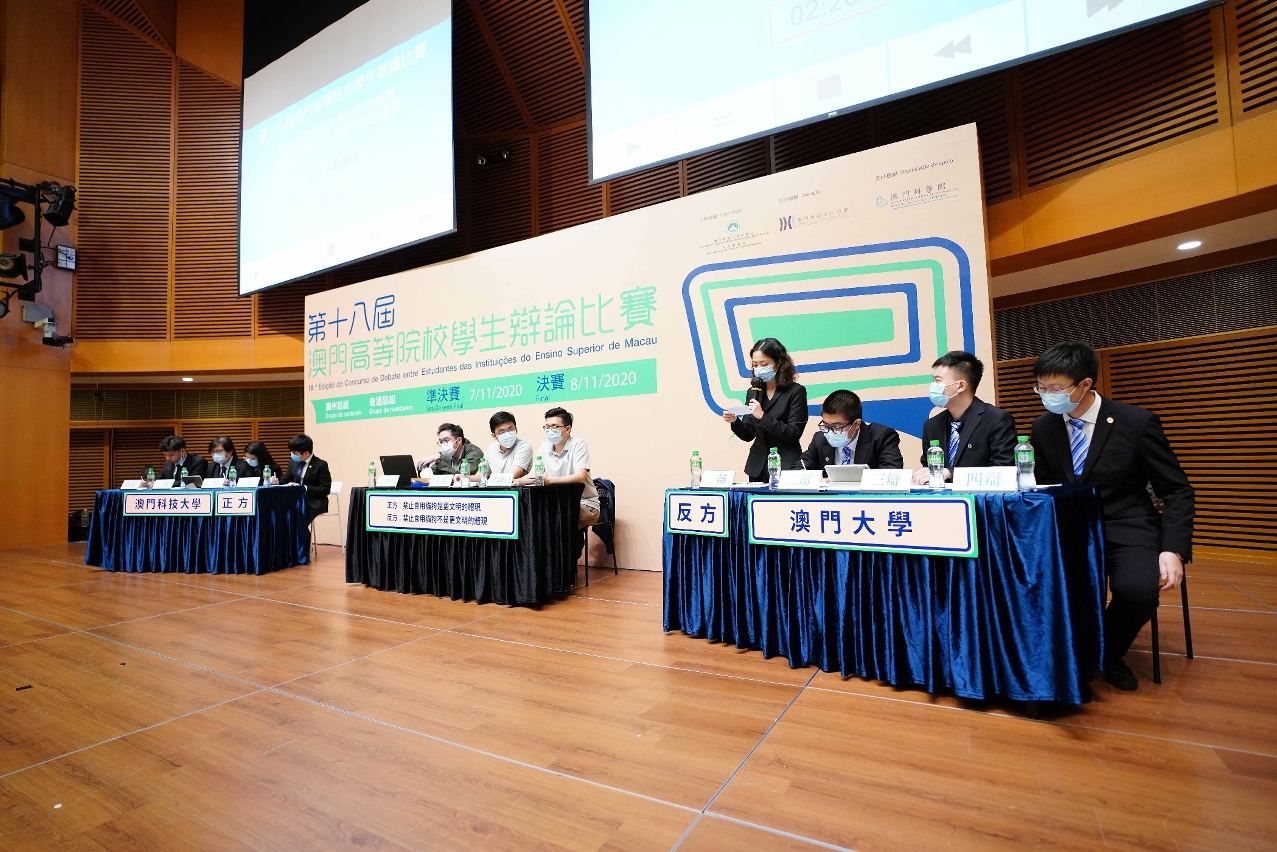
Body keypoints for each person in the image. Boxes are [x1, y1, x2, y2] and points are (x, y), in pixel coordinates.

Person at [1029, 342, 1194, 691]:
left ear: (1085, 384)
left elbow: (1177, 489)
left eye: (1055, 389)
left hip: (1127, 523)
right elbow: (1045, 488)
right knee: (1039, 586)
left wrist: (1173, 549)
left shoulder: (1136, 422)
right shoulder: (1043, 428)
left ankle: (1105, 652)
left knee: (1138, 591)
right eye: (1040, 388)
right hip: (1071, 528)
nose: (1046, 396)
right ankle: (1066, 653)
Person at [912, 351, 1017, 484]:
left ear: (961, 386)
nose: (933, 386)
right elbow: (929, 468)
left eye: (938, 381)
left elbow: (1004, 470)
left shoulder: (997, 419)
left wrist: (951, 473)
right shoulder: (932, 425)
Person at [722, 337, 809, 482]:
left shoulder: (795, 391)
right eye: (755, 365)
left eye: (764, 364)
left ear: (779, 363)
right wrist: (735, 421)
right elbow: (748, 434)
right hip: (758, 466)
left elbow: (793, 433)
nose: (759, 369)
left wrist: (763, 417)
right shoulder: (753, 391)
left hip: (785, 464)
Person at [517, 407, 600, 529]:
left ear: (568, 429)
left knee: (550, 519)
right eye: (547, 427)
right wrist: (516, 481)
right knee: (530, 515)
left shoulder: (578, 444)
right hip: (557, 504)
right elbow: (533, 475)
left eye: (555, 427)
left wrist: (549, 481)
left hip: (584, 504)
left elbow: (580, 477)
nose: (550, 431)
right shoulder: (544, 447)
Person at [798, 389, 903, 472]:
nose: (829, 432)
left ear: (856, 424)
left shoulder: (881, 437)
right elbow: (798, 469)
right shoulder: (820, 439)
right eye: (825, 426)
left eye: (836, 427)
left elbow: (892, 472)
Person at [281, 434, 332, 523]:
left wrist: (304, 488)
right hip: (296, 500)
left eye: (295, 453)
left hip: (314, 502)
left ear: (306, 453)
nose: (292, 455)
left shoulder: (321, 465)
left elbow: (325, 489)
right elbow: (286, 479)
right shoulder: (293, 462)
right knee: (283, 518)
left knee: (298, 522)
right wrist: (276, 481)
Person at [416, 423, 485, 482]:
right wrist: (424, 470)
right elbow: (434, 473)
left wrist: (438, 461)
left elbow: (461, 477)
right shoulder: (446, 454)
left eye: (446, 440)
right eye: (441, 442)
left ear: (459, 440)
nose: (443, 445)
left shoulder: (474, 453)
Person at [484, 411, 533, 478]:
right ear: (494, 436)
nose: (507, 434)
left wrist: (490, 480)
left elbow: (510, 476)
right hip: (496, 485)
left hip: (514, 485)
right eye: (502, 432)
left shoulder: (524, 446)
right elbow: (480, 476)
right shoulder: (491, 448)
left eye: (510, 430)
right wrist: (468, 478)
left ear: (516, 429)